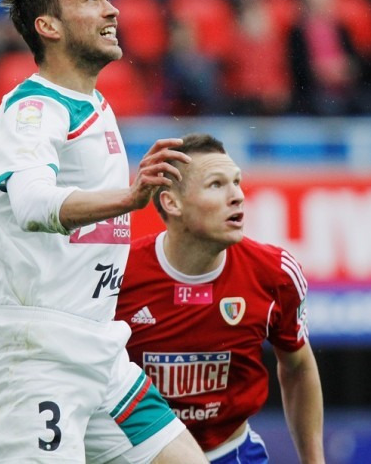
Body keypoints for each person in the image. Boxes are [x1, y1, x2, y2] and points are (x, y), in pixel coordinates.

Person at [0, 0, 207, 463]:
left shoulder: (95, 105)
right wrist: (130, 198)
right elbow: (32, 204)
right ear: (48, 26)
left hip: (102, 354)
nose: (112, 10)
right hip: (38, 358)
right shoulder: (33, 111)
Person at [116, 133, 326, 463]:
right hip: (134, 456)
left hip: (230, 453)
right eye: (216, 184)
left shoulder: (275, 274)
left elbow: (298, 367)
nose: (237, 196)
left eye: (237, 182)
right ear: (172, 203)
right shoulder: (117, 274)